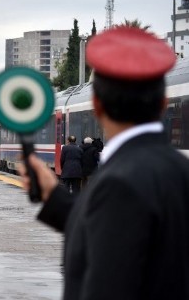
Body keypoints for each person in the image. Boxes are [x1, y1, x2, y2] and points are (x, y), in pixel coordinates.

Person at [18, 27, 189, 299]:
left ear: (97, 106)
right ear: (162, 104)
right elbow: (130, 236)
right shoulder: (179, 171)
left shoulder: (120, 182)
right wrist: (55, 198)